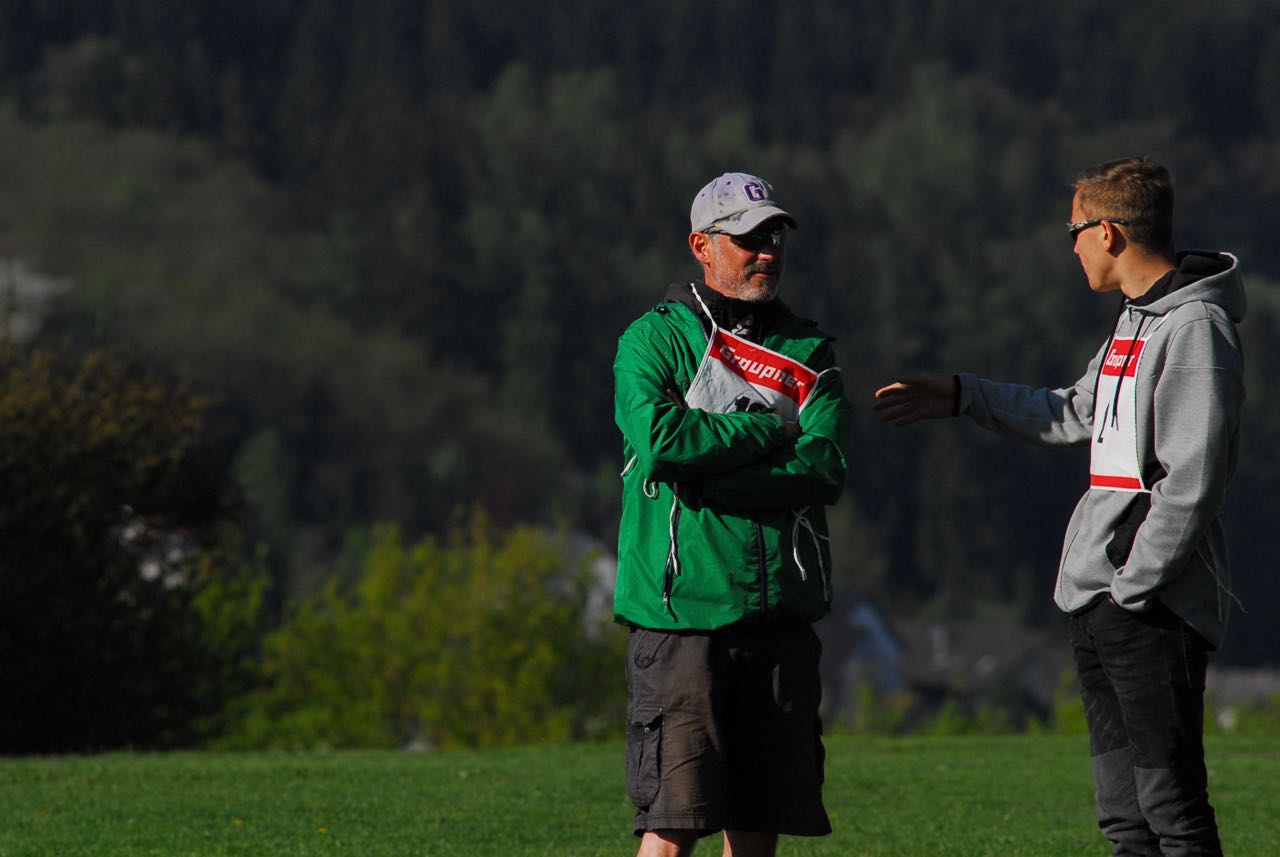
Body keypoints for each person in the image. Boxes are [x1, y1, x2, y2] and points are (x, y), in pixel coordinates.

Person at [874, 157, 1244, 856]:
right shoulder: (1135, 320)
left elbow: (1193, 480)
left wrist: (1133, 584)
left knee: (1171, 809)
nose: (1070, 246)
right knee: (1124, 817)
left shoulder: (1195, 327)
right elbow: (1076, 411)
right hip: (1103, 601)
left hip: (1149, 606)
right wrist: (963, 395)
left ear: (1108, 233)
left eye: (1073, 231)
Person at [612, 172, 852, 857]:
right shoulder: (652, 341)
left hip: (779, 624)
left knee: (757, 831)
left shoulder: (810, 350)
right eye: (749, 239)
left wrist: (709, 469)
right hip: (682, 622)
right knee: (671, 829)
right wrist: (768, 430)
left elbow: (824, 467)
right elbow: (662, 441)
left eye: (775, 237)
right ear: (702, 246)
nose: (767, 252)